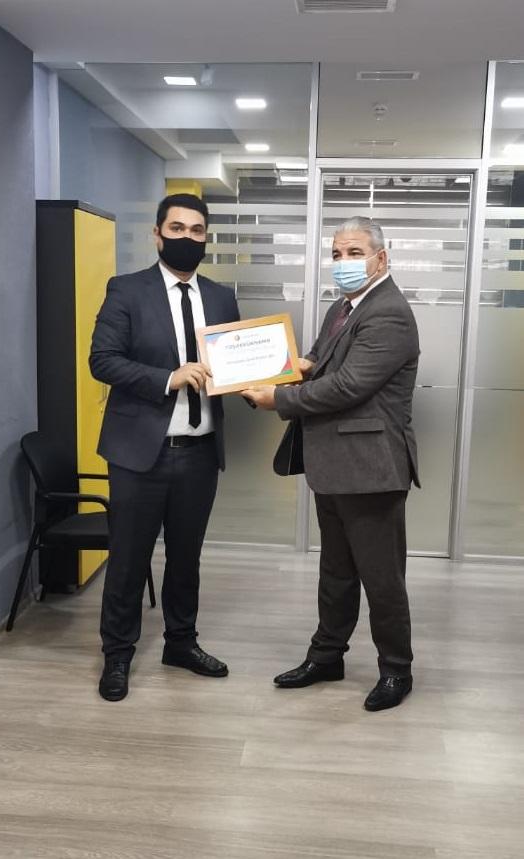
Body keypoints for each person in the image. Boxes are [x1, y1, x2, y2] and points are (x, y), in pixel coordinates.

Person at [242, 217, 420, 712]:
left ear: (381, 259)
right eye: (337, 254)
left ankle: (396, 670)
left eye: (355, 253)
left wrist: (278, 398)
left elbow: (348, 386)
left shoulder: (389, 313)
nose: (344, 263)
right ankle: (326, 657)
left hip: (371, 468)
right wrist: (289, 366)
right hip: (335, 464)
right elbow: (320, 361)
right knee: (336, 572)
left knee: (381, 578)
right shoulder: (343, 307)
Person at [90, 193, 239, 701]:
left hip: (200, 452)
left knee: (186, 557)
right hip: (139, 453)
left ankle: (181, 643)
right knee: (128, 560)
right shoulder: (127, 290)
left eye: (197, 231)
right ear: (157, 235)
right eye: (177, 229)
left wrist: (261, 379)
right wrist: (169, 377)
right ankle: (117, 655)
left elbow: (232, 364)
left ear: (205, 238)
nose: (187, 238)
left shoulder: (220, 297)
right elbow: (102, 360)